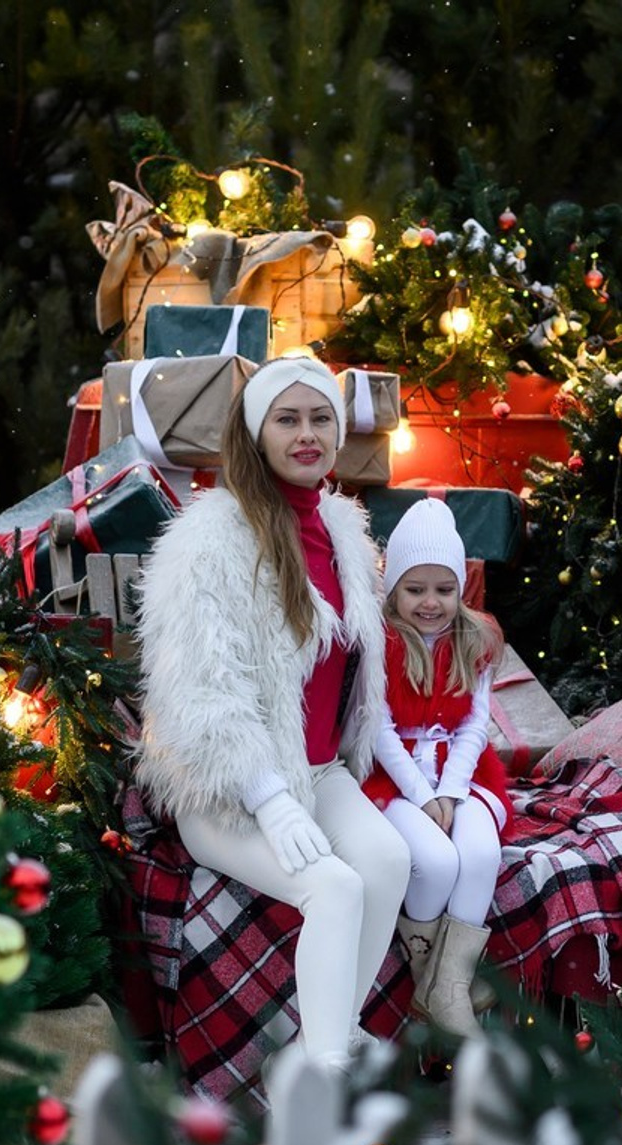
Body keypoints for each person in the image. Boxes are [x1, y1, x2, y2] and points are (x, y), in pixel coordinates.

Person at [135, 355, 411, 1075]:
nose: (307, 434)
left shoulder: (343, 530)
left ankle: (328, 1044)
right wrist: (271, 802)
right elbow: (200, 695)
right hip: (230, 787)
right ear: (257, 433)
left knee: (387, 861)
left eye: (320, 417)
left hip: (314, 770)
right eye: (287, 419)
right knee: (335, 885)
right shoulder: (211, 542)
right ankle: (325, 1080)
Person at [361, 497, 512, 1038]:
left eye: (444, 590)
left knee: (479, 852)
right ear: (394, 589)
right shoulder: (378, 643)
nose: (430, 603)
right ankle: (437, 981)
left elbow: (475, 725)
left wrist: (450, 792)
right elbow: (376, 731)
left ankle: (446, 984)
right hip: (396, 776)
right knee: (433, 861)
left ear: (461, 589)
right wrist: (422, 798)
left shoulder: (475, 639)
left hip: (461, 773)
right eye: (415, 589)